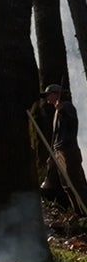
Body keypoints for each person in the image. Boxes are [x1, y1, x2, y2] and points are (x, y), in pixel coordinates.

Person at [42, 83, 87, 215]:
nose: (46, 98)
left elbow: (73, 123)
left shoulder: (66, 106)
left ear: (56, 94)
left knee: (76, 183)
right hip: (59, 151)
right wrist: (52, 155)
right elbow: (55, 136)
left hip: (69, 150)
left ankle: (85, 211)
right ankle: (79, 213)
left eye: (48, 95)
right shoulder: (57, 111)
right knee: (67, 185)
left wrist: (62, 111)